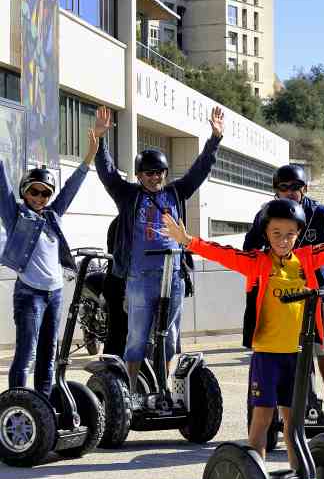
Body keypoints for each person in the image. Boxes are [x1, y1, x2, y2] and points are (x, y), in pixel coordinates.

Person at [160, 199, 324, 466]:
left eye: (290, 234)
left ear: (298, 234)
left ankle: (300, 476)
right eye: (276, 233)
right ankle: (257, 476)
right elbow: (222, 253)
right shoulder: (256, 262)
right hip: (266, 355)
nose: (283, 239)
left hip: (297, 357)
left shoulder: (307, 259)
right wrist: (187, 240)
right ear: (266, 233)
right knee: (262, 419)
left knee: (294, 424)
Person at [93, 105, 224, 394]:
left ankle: (161, 388)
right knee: (136, 337)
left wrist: (214, 139)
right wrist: (100, 139)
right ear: (139, 175)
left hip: (173, 276)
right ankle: (129, 391)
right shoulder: (128, 196)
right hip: (139, 278)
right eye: (149, 173)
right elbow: (107, 174)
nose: (155, 177)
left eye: (159, 172)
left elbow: (200, 170)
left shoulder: (176, 192)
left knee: (169, 337)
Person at [243, 164, 324, 418]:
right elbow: (250, 249)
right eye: (284, 187)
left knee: (323, 350)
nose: (290, 192)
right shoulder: (267, 215)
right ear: (276, 190)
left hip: (317, 290)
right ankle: (296, 407)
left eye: (296, 187)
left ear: (305, 189)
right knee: (293, 352)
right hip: (282, 295)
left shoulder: (321, 214)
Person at [0, 131, 99, 395]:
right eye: (34, 191)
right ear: (25, 191)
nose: (39, 197)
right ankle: (17, 405)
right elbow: (2, 186)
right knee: (26, 355)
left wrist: (90, 154)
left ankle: (43, 406)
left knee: (48, 355)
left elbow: (71, 188)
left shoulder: (54, 215)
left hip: (54, 294)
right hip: (29, 294)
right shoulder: (15, 216)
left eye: (45, 193)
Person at [102, 216, 127, 357]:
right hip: (119, 285)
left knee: (116, 333)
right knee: (117, 334)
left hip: (117, 284)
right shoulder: (123, 222)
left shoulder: (120, 221)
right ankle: (111, 372)